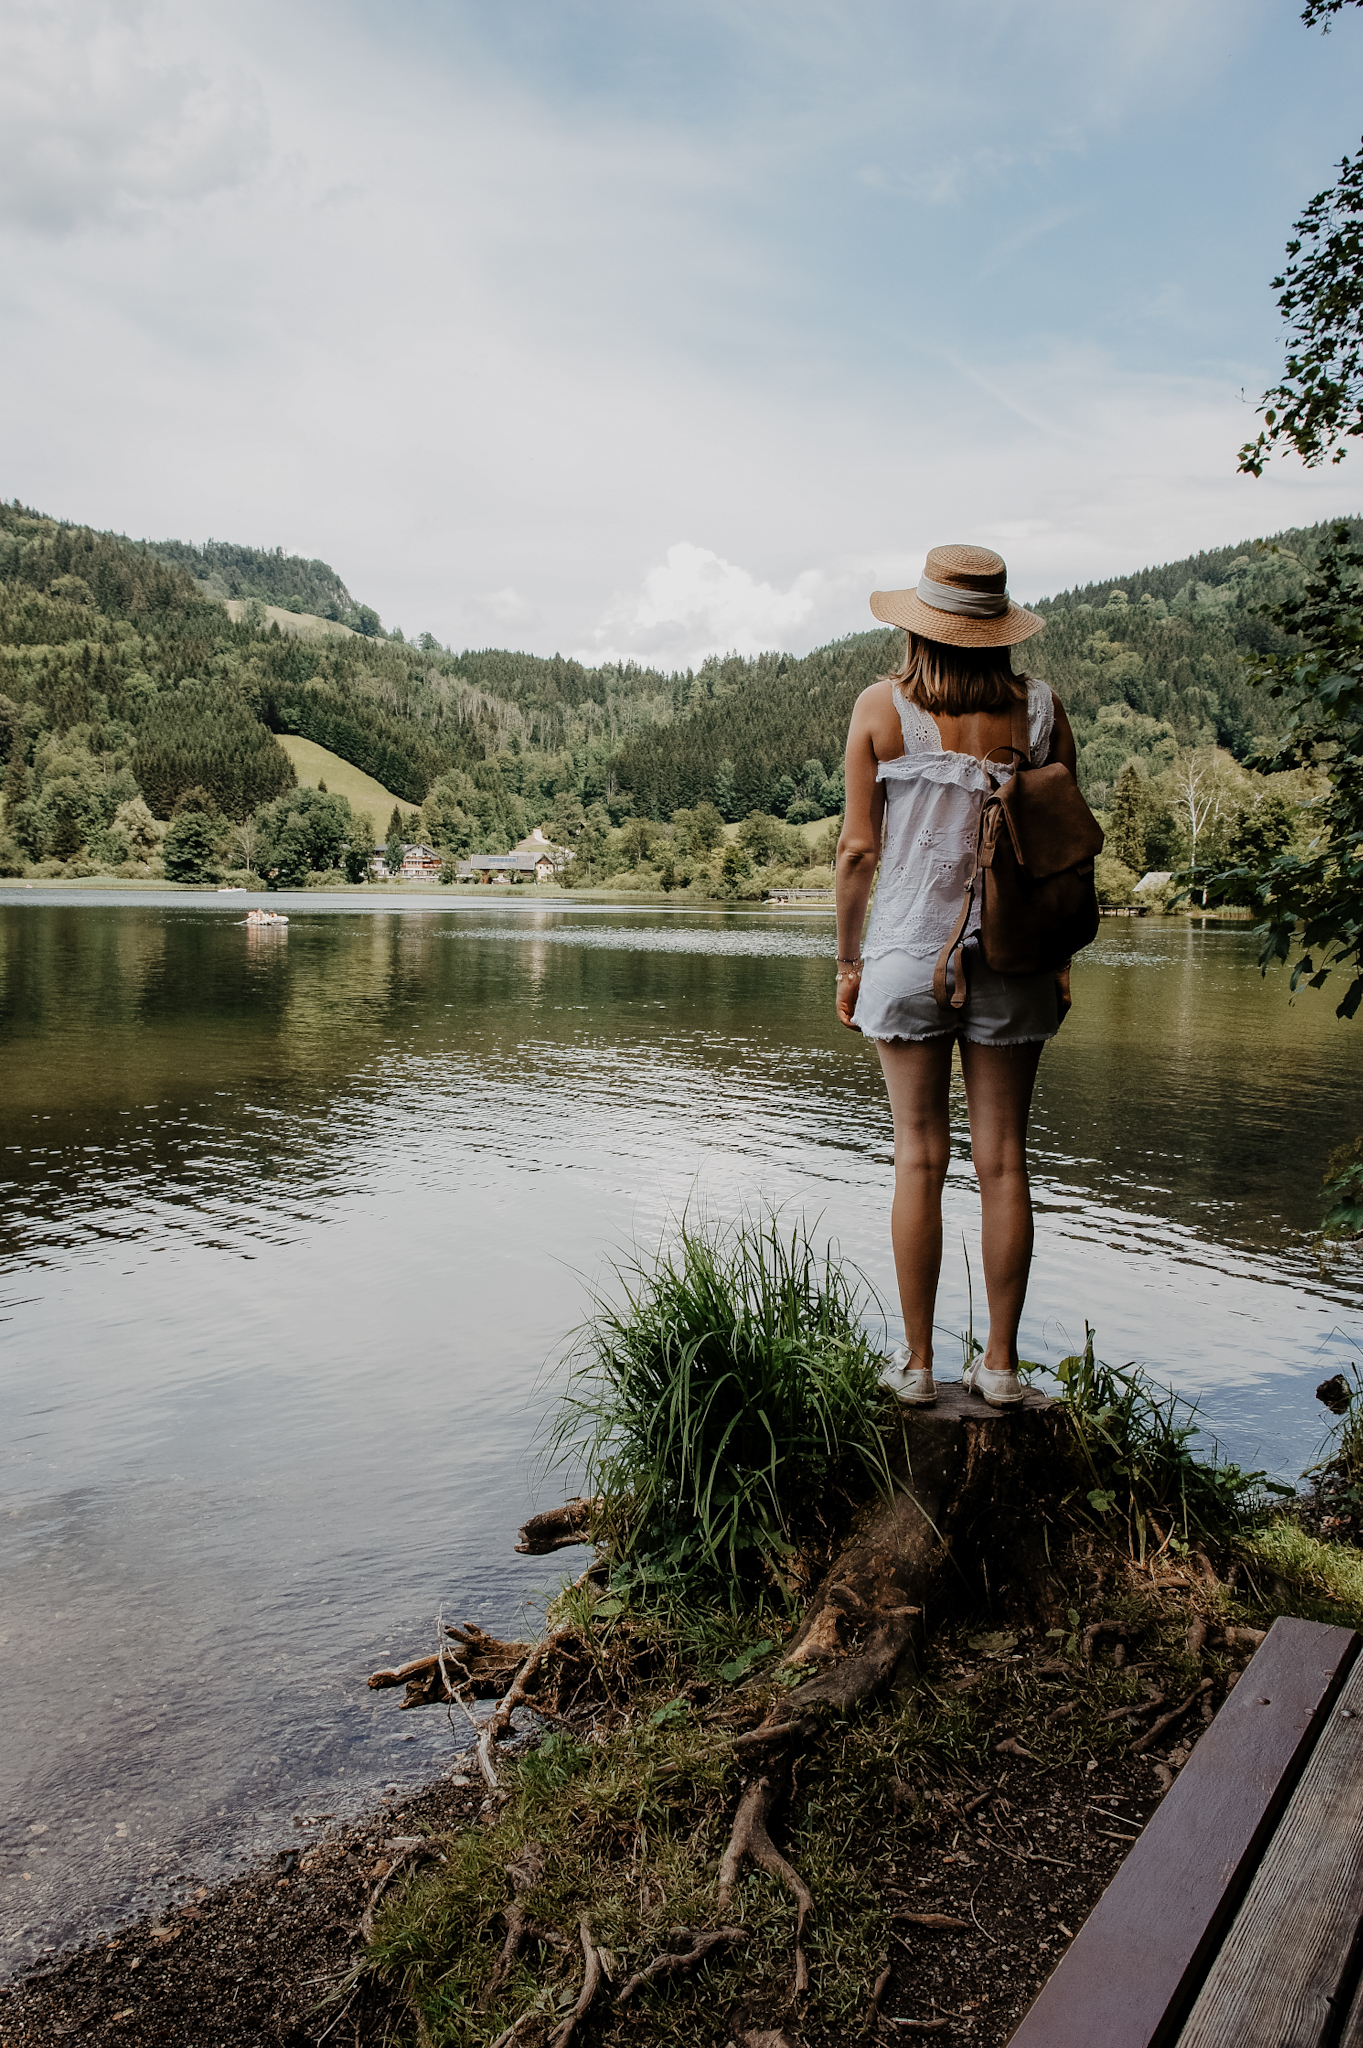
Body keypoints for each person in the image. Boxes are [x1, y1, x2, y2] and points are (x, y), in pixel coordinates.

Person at [834, 544, 1077, 1410]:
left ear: (920, 628)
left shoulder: (879, 706)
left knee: (916, 1161)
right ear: (998, 629)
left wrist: (849, 961)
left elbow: (858, 850)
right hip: (1014, 957)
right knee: (1004, 1163)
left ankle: (915, 1368)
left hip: (903, 954)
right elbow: (1060, 852)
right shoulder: (1043, 710)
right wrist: (1060, 962)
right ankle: (1002, 1369)